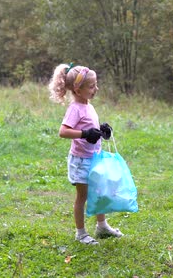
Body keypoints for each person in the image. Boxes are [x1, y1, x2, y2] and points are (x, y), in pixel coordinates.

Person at [48, 63, 122, 245]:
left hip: (94, 157)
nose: (95, 89)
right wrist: (84, 134)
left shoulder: (88, 105)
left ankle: (102, 226)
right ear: (78, 90)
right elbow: (63, 131)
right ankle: (80, 233)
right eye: (91, 87)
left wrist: (100, 130)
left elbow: (90, 128)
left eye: (95, 85)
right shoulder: (75, 108)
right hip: (81, 161)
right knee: (82, 196)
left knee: (98, 192)